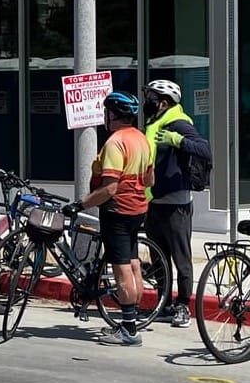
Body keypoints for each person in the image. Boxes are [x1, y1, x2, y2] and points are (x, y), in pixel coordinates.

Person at [69, 90, 153, 346]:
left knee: (121, 267)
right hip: (139, 209)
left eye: (106, 112)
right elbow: (150, 180)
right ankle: (133, 320)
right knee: (133, 262)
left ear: (113, 114)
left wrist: (80, 204)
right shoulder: (141, 139)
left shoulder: (116, 142)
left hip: (118, 210)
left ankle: (128, 329)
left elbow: (109, 188)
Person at [142, 78, 211, 329]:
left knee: (181, 258)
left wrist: (178, 140)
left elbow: (206, 150)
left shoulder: (179, 123)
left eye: (151, 97)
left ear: (164, 102)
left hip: (176, 203)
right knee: (159, 257)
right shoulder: (153, 123)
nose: (146, 102)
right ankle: (164, 303)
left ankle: (183, 306)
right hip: (154, 200)